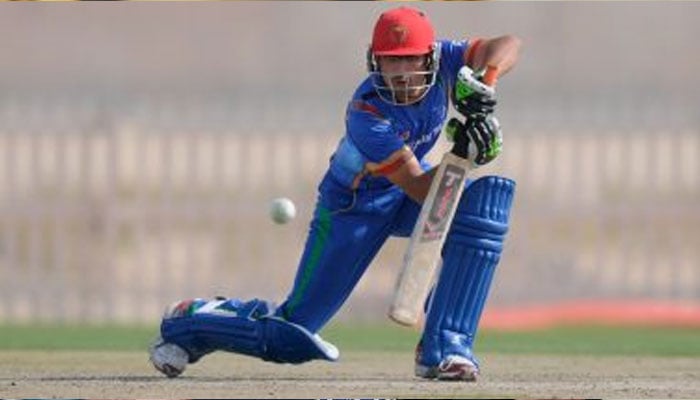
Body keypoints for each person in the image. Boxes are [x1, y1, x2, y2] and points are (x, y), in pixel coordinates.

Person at [149, 6, 521, 382]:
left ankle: (445, 348)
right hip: (353, 210)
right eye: (392, 63)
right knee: (288, 336)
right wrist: (464, 154)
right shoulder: (367, 114)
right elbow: (422, 189)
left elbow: (507, 44)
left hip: (403, 196)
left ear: (430, 57)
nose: (403, 73)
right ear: (375, 62)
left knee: (484, 205)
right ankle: (189, 320)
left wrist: (485, 82)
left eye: (411, 60)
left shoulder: (447, 61)